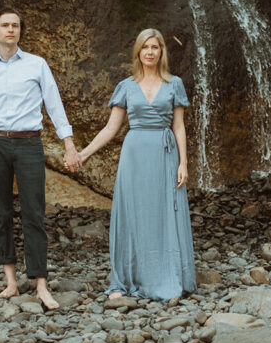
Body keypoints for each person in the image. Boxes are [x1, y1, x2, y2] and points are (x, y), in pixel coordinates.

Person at [0, 7, 81, 310]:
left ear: (19, 31)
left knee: (34, 213)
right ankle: (11, 282)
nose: (10, 30)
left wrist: (69, 146)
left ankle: (40, 284)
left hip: (29, 144)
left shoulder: (37, 65)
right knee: (0, 213)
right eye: (5, 25)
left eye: (15, 25)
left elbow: (55, 107)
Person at [77, 29, 196, 301]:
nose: (150, 52)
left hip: (164, 154)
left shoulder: (174, 83)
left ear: (162, 52)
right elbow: (110, 129)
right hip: (134, 155)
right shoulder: (127, 86)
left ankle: (167, 275)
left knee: (163, 213)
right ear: (138, 52)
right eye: (146, 47)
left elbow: (179, 127)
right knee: (132, 214)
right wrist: (84, 154)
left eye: (155, 47)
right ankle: (125, 280)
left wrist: (183, 163)